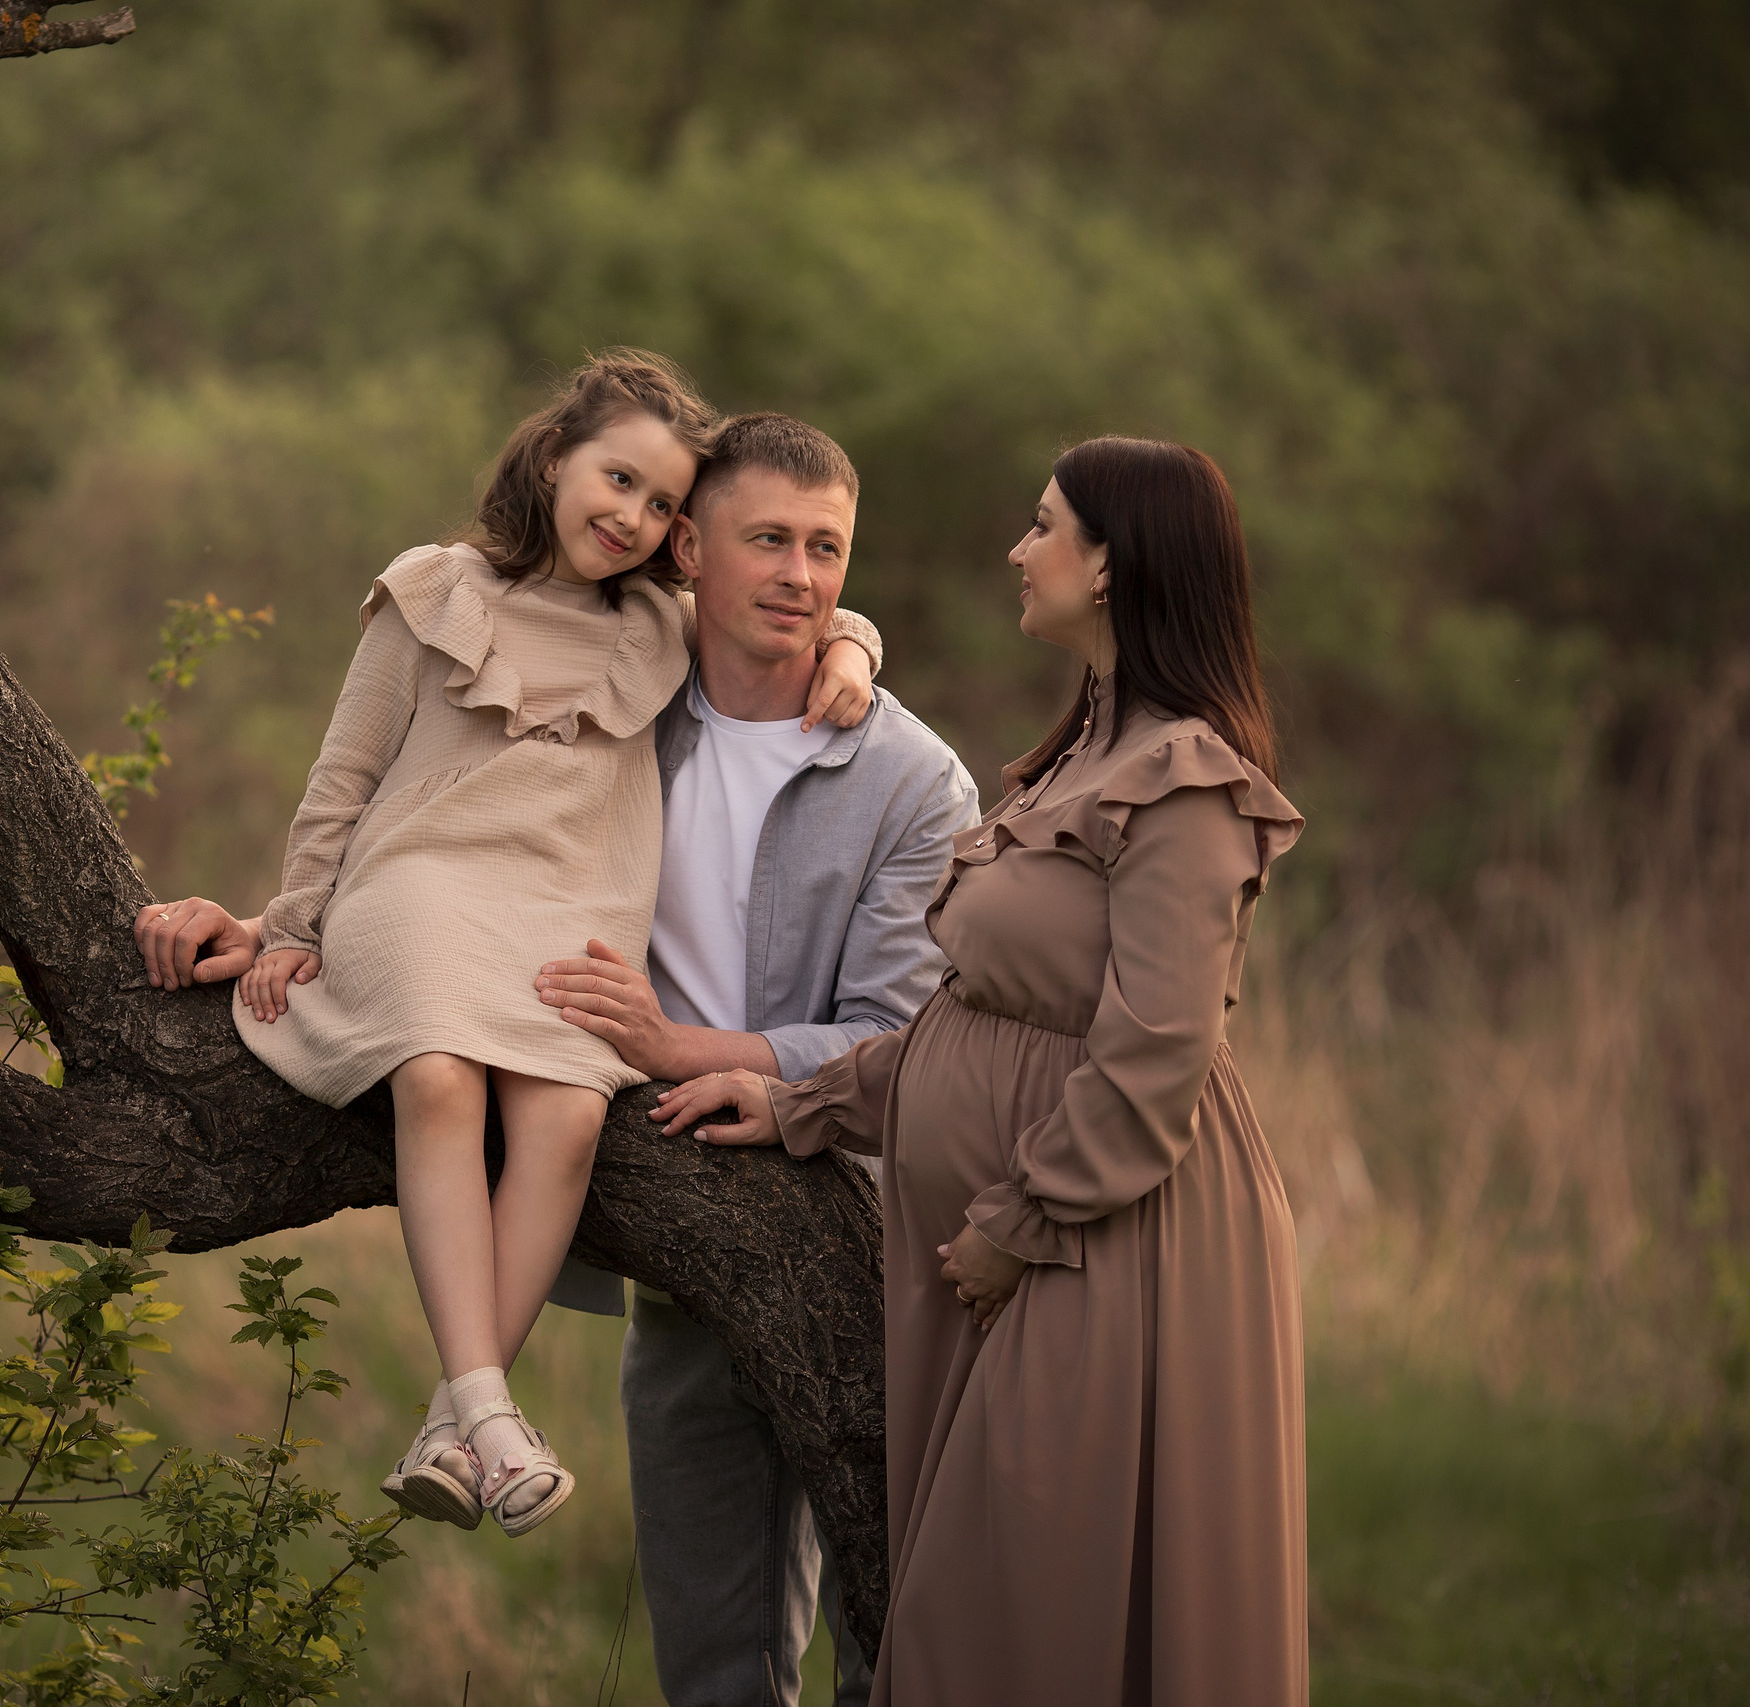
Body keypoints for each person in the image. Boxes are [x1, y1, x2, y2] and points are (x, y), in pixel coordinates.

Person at [131, 351, 883, 1538]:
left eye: (660, 505)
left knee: (568, 1115)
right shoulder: (435, 592)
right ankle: (491, 1409)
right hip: (420, 884)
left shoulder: (657, 625)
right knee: (438, 1079)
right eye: (617, 479)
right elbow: (343, 778)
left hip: (561, 908)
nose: (631, 517)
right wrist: (290, 923)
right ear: (552, 459)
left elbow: (794, 602)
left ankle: (449, 1427)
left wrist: (852, 652)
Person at [658, 436, 1308, 1704]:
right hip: (1019, 1245)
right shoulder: (1081, 752)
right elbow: (978, 1023)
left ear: (1110, 565)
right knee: (995, 1611)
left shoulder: (1184, 779)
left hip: (1103, 1249)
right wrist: (803, 1101)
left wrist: (1020, 1220)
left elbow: (1158, 1048)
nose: (1019, 548)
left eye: (1044, 525)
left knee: (1025, 1606)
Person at [530, 413, 977, 1707]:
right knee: (712, 1668)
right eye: (768, 539)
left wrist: (677, 1045)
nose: (799, 574)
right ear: (686, 548)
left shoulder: (911, 781)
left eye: (827, 548)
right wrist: (285, 929)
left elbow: (904, 1038)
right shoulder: (615, 712)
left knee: (899, 1656)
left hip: (871, 1251)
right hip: (683, 1245)